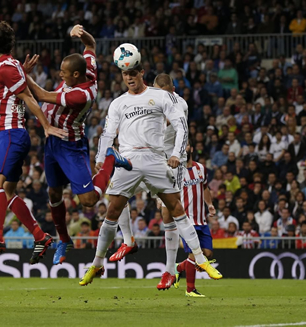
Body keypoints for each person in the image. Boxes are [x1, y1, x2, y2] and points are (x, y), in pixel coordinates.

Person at [79, 59, 221, 287]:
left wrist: (177, 153)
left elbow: (181, 126)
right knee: (112, 208)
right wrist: (99, 157)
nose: (129, 77)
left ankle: (191, 262)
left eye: (133, 72)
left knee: (173, 212)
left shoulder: (171, 101)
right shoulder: (118, 103)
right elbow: (107, 132)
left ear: (142, 73)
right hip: (129, 161)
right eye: (125, 74)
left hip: (161, 160)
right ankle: (103, 258)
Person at [23, 25, 131, 265]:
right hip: (52, 140)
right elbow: (91, 46)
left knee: (89, 201)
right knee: (53, 192)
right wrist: (81, 33)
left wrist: (24, 75)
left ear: (75, 75)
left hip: (70, 145)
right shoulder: (88, 69)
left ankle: (111, 157)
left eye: (63, 72)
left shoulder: (82, 94)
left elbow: (40, 95)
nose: (60, 75)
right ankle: (64, 239)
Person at [0, 22, 66, 265]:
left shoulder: (5, 68)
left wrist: (45, 126)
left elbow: (28, 98)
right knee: (9, 191)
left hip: (12, 133)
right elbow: (11, 96)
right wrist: (23, 70)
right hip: (8, 132)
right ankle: (40, 236)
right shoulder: (11, 66)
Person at [171, 143, 217, 297]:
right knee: (194, 256)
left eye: (186, 146)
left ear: (191, 149)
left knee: (208, 254)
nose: (184, 149)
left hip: (201, 220)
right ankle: (190, 290)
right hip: (186, 221)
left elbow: (204, 188)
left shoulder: (201, 168)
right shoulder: (176, 172)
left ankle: (178, 268)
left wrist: (209, 204)